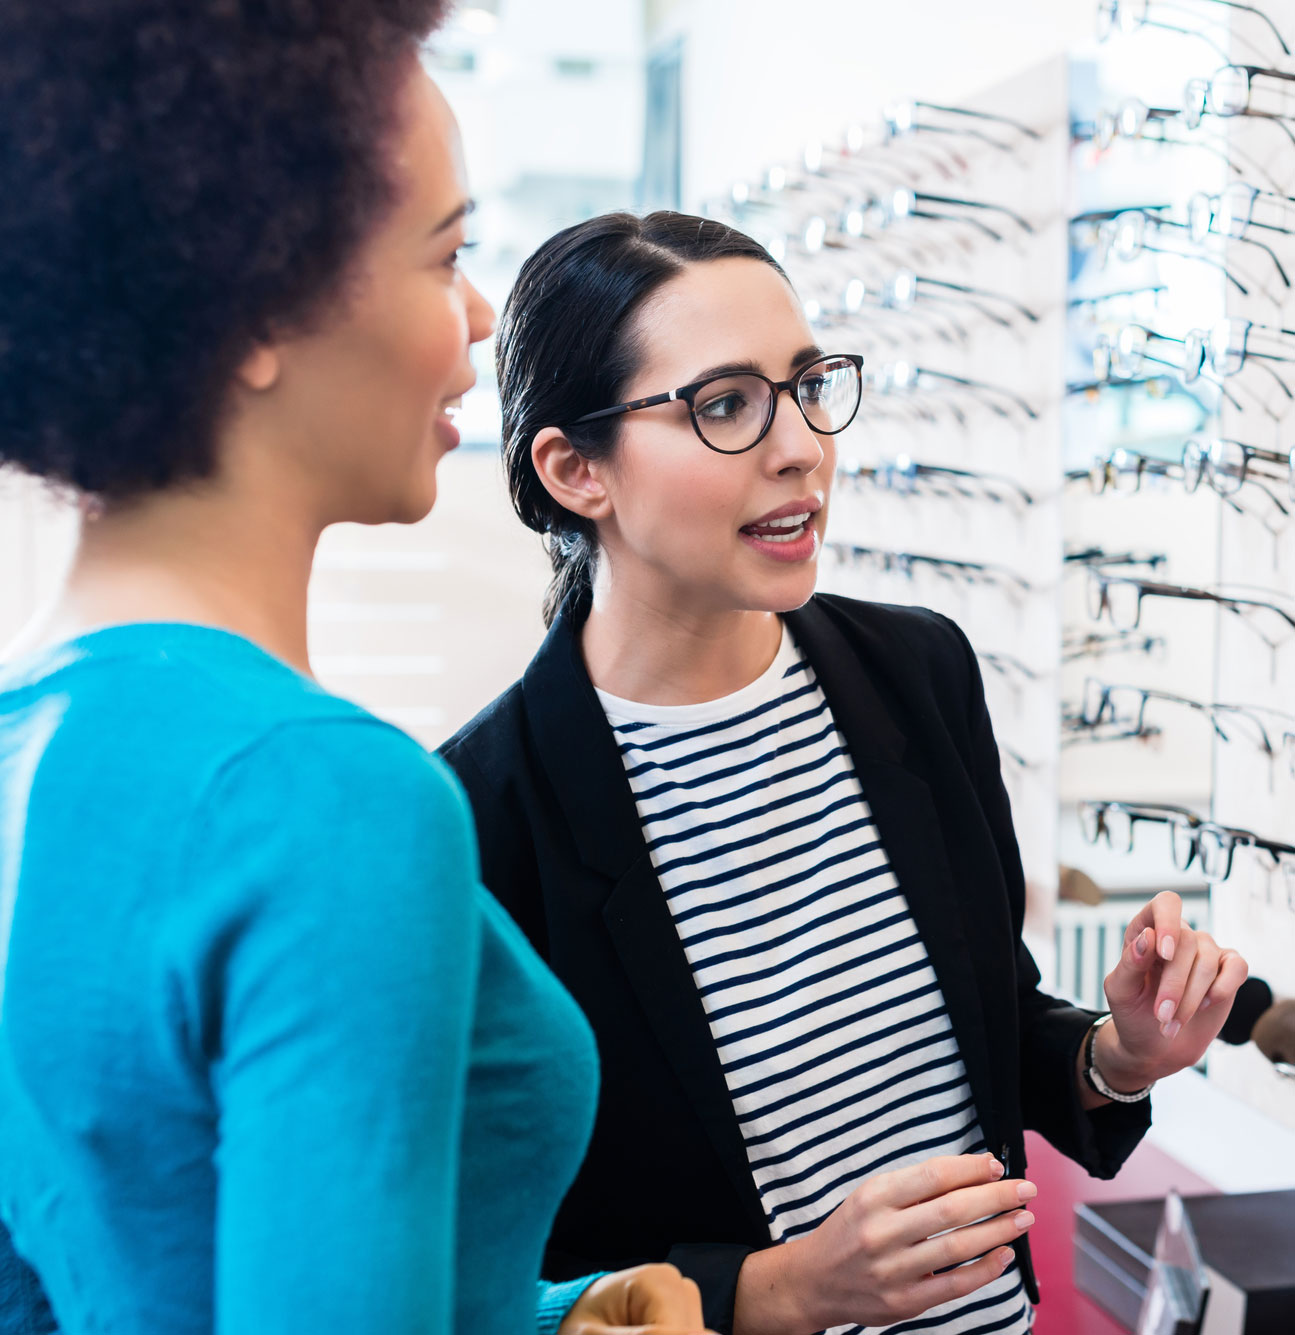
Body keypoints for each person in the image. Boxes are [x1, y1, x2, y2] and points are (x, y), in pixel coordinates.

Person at [0, 10, 709, 1335]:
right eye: (445, 256)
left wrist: (540, 1316)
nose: (477, 316)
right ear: (254, 303)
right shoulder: (327, 798)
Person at [439, 211, 1249, 1335]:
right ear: (577, 469)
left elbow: (987, 1033)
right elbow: (489, 1270)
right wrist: (779, 1292)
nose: (801, 447)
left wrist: (1118, 1057)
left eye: (809, 385)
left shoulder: (916, 672)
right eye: (726, 405)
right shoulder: (478, 823)